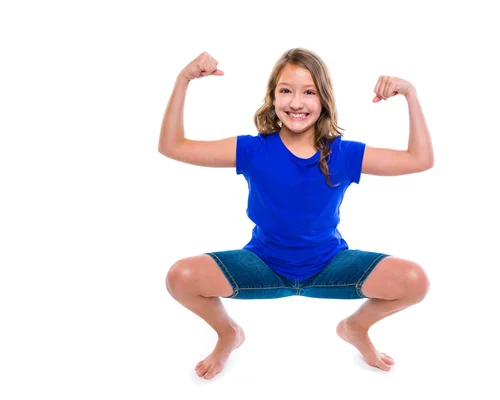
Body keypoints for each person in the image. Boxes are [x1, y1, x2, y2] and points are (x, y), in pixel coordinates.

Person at [158, 49, 434, 380]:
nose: (296, 102)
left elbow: (420, 159)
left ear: (324, 100)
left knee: (415, 281)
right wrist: (183, 79)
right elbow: (172, 146)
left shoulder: (343, 154)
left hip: (330, 267)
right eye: (286, 90)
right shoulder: (253, 149)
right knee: (180, 277)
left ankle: (355, 327)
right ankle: (228, 334)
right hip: (263, 266)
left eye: (309, 92)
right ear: (273, 98)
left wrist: (411, 94)